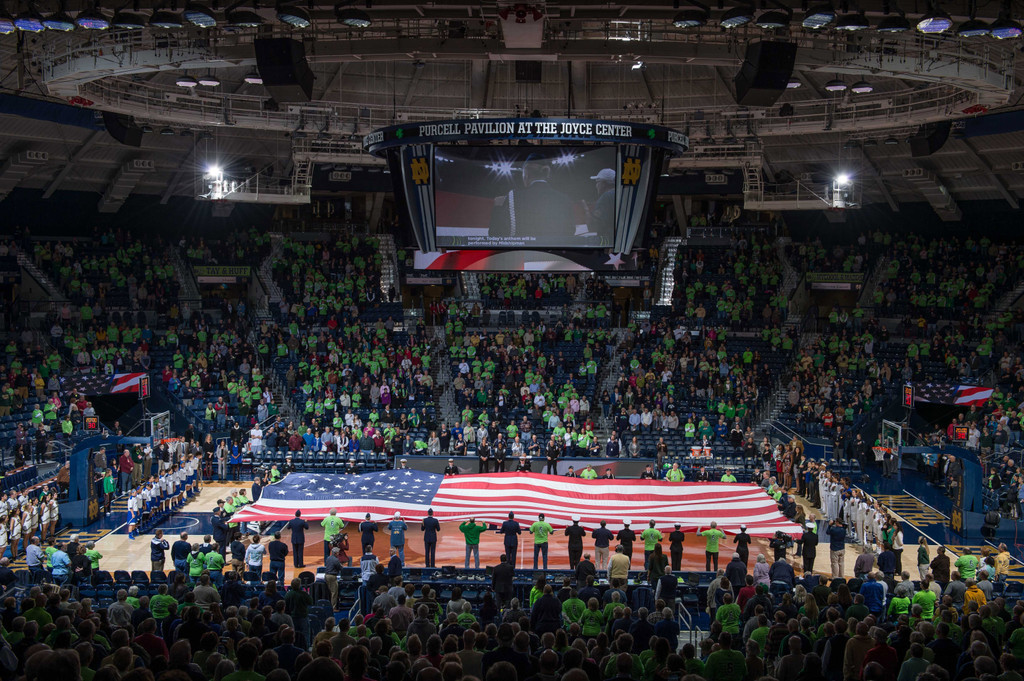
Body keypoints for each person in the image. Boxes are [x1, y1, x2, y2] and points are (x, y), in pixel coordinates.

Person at [488, 152, 577, 242]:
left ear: (526, 175)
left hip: (522, 254)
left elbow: (496, 235)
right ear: (546, 174)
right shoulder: (564, 198)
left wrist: (497, 208)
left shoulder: (513, 197)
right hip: (553, 255)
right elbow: (569, 232)